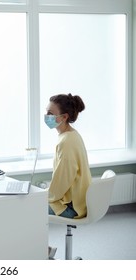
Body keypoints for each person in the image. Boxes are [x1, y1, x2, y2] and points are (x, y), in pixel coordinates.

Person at [44, 93, 92, 259]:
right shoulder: (71, 135)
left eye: (50, 113)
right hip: (75, 200)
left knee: (28, 208)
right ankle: (42, 249)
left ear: (64, 117)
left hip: (71, 206)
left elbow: (63, 180)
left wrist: (45, 195)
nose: (46, 116)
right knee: (34, 202)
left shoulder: (66, 142)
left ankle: (42, 250)